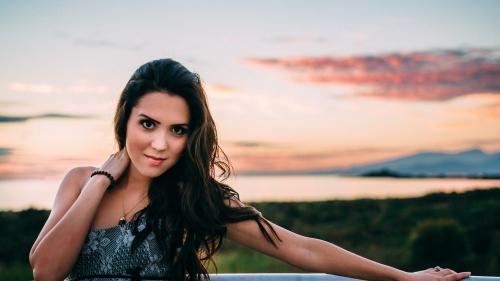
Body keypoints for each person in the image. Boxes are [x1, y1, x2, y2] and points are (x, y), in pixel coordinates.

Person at [29, 59, 471, 281]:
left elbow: (304, 251)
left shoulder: (197, 200)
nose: (160, 143)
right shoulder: (79, 182)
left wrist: (402, 277)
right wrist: (100, 180)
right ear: (125, 117)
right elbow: (44, 270)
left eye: (178, 129)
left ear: (192, 135)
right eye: (147, 124)